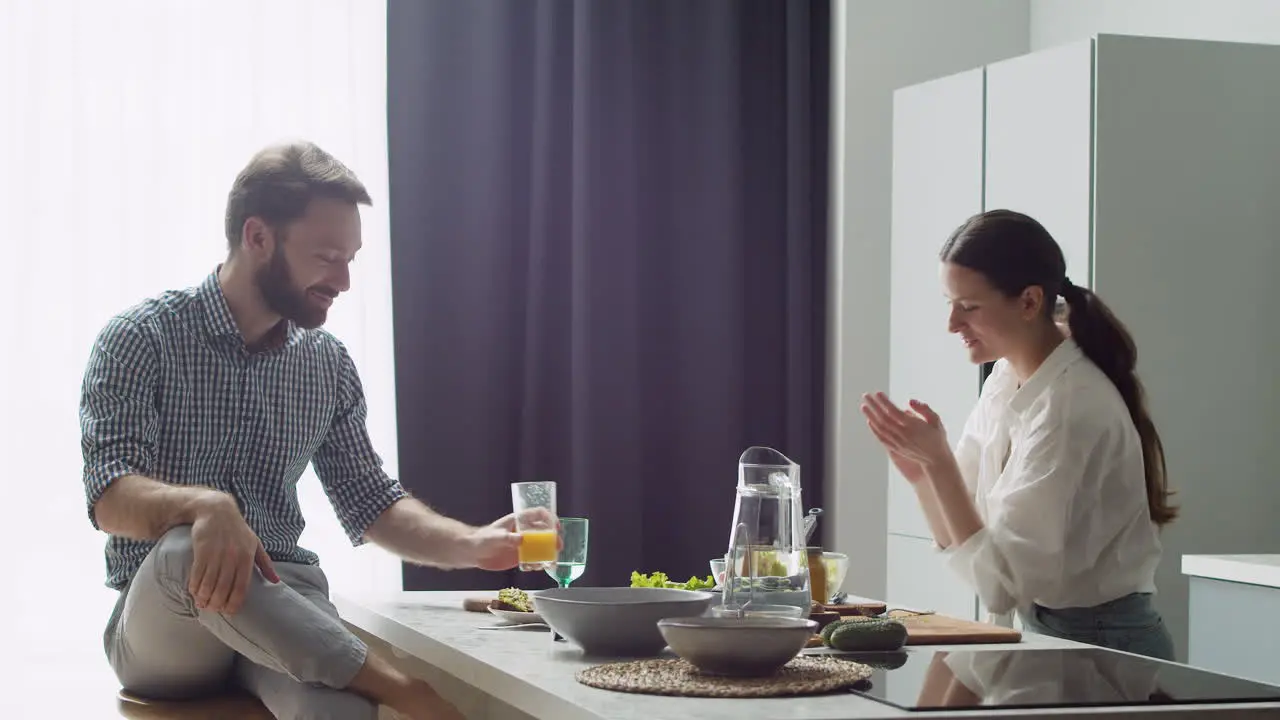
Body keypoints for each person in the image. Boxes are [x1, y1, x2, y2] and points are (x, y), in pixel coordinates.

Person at [79, 140, 541, 719]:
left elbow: (373, 504)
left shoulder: (327, 363)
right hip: (168, 625)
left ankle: (372, 685)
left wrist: (476, 544)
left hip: (285, 603)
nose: (344, 280)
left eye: (351, 259)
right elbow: (110, 497)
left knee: (337, 713)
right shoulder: (139, 339)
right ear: (257, 238)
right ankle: (405, 690)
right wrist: (206, 508)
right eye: (327, 257)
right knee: (185, 549)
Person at [860, 209, 1178, 661]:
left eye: (968, 307)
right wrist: (923, 476)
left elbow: (998, 586)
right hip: (1048, 631)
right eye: (948, 304)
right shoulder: (1005, 378)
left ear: (1029, 302)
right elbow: (971, 540)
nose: (952, 323)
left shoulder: (1070, 407)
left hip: (1105, 643)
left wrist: (940, 466)